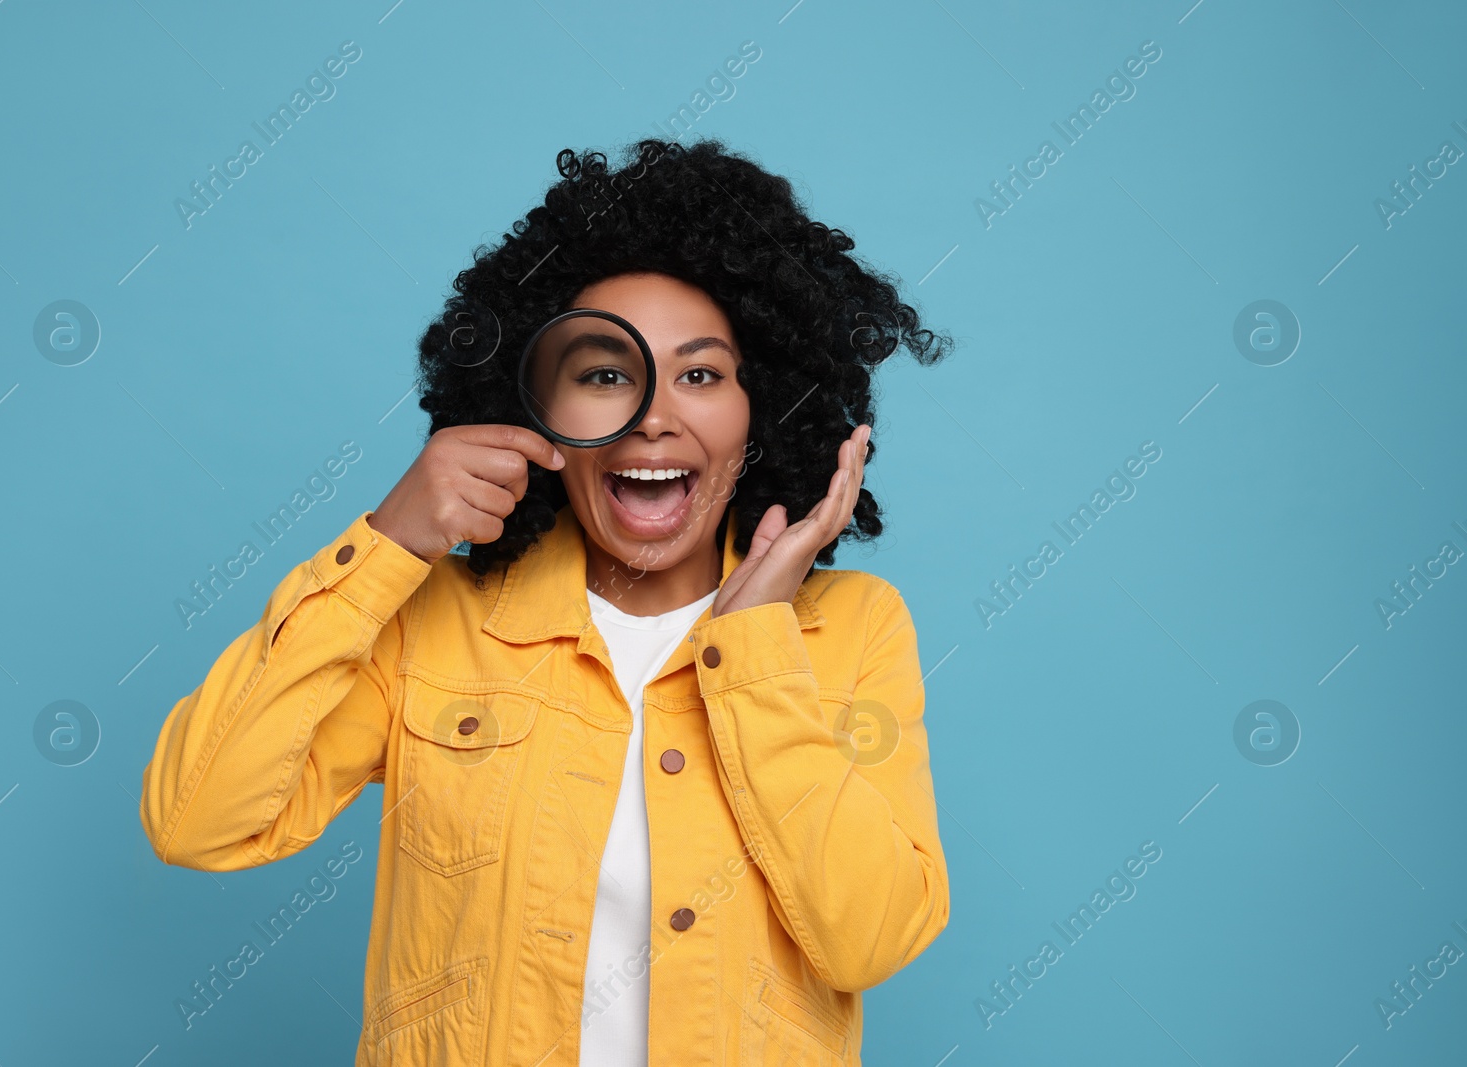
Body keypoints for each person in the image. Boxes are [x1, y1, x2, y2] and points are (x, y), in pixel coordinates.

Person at [140, 136, 953, 1066]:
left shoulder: (849, 628)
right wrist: (390, 544)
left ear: (761, 409)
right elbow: (198, 818)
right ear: (538, 413)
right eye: (606, 373)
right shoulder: (435, 619)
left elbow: (874, 937)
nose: (653, 415)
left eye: (700, 374)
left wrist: (756, 645)